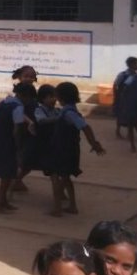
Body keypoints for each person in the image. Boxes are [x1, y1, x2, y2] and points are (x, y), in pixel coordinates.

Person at [48, 82, 105, 216]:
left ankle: (57, 208)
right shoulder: (69, 111)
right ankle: (72, 206)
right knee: (66, 178)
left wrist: (94, 144)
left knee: (60, 180)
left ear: (60, 97)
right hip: (67, 149)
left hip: (65, 150)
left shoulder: (69, 113)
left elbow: (85, 127)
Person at [0, 82, 36, 213]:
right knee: (7, 175)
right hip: (6, 142)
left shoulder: (3, 102)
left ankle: (4, 202)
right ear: (26, 97)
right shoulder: (18, 108)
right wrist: (17, 147)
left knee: (6, 174)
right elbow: (17, 130)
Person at [113, 57, 137, 152]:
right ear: (132, 65)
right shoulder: (125, 75)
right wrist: (117, 98)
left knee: (133, 123)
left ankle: (136, 143)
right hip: (127, 103)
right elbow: (117, 86)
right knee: (131, 123)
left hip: (133, 103)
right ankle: (133, 144)